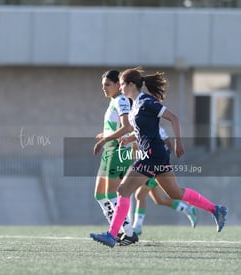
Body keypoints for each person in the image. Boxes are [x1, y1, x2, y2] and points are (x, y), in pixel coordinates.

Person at [90, 67, 227, 248]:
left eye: (122, 84)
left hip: (151, 155)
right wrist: (128, 138)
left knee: (123, 190)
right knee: (175, 193)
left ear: (131, 84)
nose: (120, 88)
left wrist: (178, 142)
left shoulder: (146, 101)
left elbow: (174, 118)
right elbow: (143, 132)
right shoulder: (135, 105)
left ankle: (112, 235)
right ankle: (216, 210)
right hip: (156, 155)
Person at [91, 70, 138, 246]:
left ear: (118, 85)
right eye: (103, 85)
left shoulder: (121, 101)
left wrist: (105, 139)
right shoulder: (114, 101)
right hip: (109, 150)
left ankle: (129, 232)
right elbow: (117, 127)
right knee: (99, 194)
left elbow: (127, 127)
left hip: (118, 151)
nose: (104, 88)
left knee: (112, 193)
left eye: (107, 85)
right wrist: (105, 135)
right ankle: (117, 230)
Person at [132, 127, 197, 235]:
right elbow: (134, 151)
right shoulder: (135, 128)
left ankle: (137, 226)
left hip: (155, 168)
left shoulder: (157, 129)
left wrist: (156, 159)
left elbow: (169, 147)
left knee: (139, 195)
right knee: (160, 200)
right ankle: (188, 210)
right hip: (144, 167)